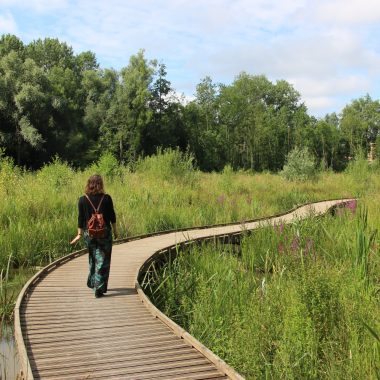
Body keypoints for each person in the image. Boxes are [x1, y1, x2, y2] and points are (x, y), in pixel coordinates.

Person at [70, 174, 118, 298]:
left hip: (89, 233)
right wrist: (116, 231)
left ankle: (93, 282)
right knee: (103, 259)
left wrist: (79, 234)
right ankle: (98, 287)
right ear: (100, 184)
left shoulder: (82, 199)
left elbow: (80, 218)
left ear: (89, 184)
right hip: (104, 233)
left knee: (93, 258)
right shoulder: (107, 198)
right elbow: (112, 217)